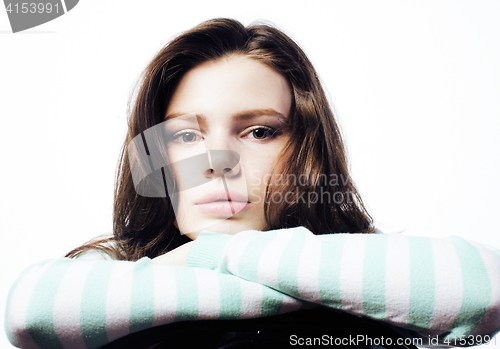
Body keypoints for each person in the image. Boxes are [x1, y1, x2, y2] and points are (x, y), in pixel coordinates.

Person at [5, 18, 500, 349]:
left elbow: (485, 287)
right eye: (185, 135)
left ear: (304, 147)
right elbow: (30, 312)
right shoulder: (115, 265)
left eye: (260, 131)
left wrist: (213, 254)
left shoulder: (366, 257)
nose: (219, 161)